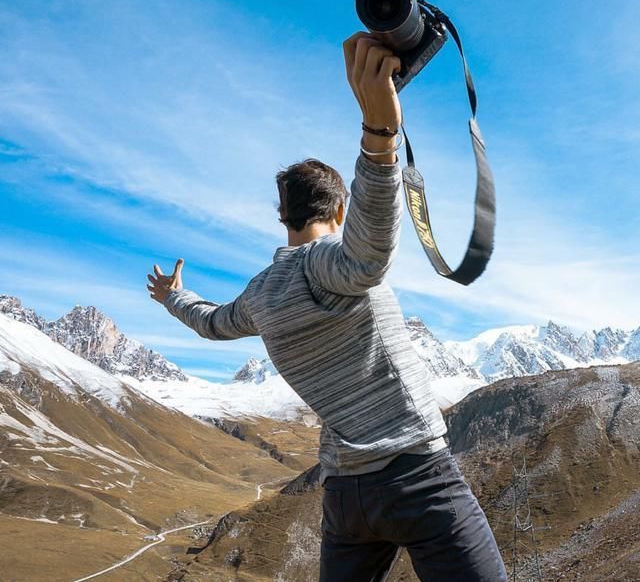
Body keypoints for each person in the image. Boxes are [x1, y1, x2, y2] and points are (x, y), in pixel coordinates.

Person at [147, 31, 508, 582]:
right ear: (339, 210)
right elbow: (369, 255)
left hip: (344, 496)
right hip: (416, 477)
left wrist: (174, 297)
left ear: (282, 215)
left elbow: (211, 324)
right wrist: (380, 134)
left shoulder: (259, 294)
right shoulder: (326, 265)